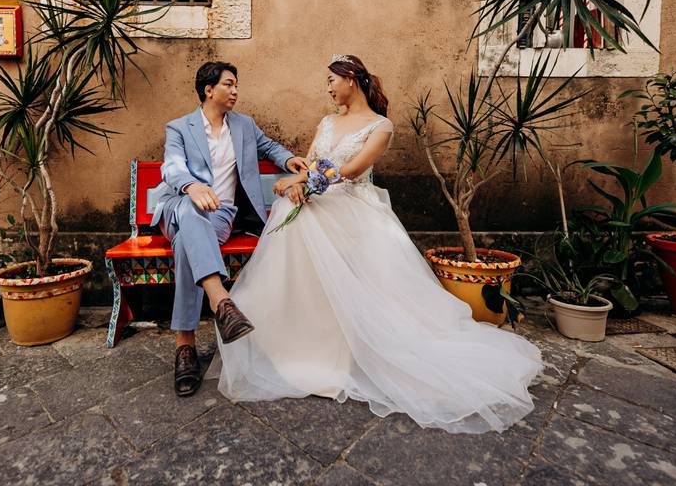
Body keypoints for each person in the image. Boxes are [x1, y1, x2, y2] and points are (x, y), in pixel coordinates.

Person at [213, 54, 543, 434]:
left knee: (365, 287)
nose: (328, 88)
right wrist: (298, 179)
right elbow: (314, 161)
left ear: (350, 78)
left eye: (331, 81)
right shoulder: (326, 121)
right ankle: (296, 348)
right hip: (314, 204)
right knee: (295, 262)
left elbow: (351, 170)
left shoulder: (380, 126)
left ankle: (354, 352)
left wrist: (306, 183)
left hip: (354, 210)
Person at [153, 61, 308, 397]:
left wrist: (289, 160)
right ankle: (221, 301)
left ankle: (185, 347)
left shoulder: (244, 125)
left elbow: (268, 147)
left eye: (236, 85)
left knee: (186, 243)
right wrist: (191, 187)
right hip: (180, 207)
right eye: (229, 84)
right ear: (209, 90)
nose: (235, 90)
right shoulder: (179, 128)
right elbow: (172, 166)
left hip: (221, 216)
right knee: (188, 212)